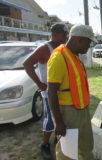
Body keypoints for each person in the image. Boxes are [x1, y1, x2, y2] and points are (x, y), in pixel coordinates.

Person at [47, 24, 97, 160]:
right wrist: (58, 122)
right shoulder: (59, 57)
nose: (88, 47)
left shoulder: (75, 56)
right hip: (68, 113)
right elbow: (51, 92)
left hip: (82, 109)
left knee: (85, 146)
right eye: (88, 43)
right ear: (79, 39)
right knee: (67, 152)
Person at [23, 23, 68, 160]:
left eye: (66, 34)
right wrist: (40, 84)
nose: (66, 36)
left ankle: (58, 139)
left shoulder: (62, 48)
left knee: (60, 118)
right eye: (63, 34)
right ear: (54, 35)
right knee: (49, 120)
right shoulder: (45, 48)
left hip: (62, 93)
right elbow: (27, 63)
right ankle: (45, 145)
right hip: (49, 93)